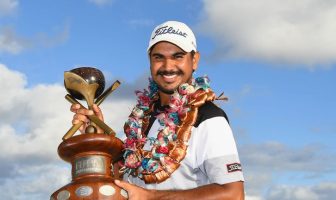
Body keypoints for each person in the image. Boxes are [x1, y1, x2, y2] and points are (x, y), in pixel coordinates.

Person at [71, 20, 245, 199]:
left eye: (178, 56)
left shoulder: (209, 118)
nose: (168, 67)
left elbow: (233, 194)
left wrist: (151, 196)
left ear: (194, 60)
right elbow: (120, 183)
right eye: (159, 57)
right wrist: (100, 142)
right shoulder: (139, 123)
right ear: (150, 61)